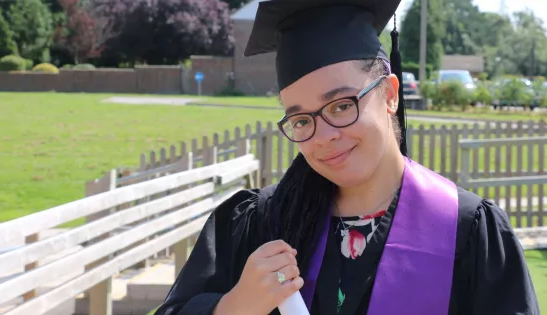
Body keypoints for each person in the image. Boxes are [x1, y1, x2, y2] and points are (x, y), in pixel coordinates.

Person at [154, 0, 540, 314]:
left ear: (390, 94)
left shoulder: (468, 231)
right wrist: (233, 308)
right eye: (301, 119)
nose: (324, 137)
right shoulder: (261, 224)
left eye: (341, 106)